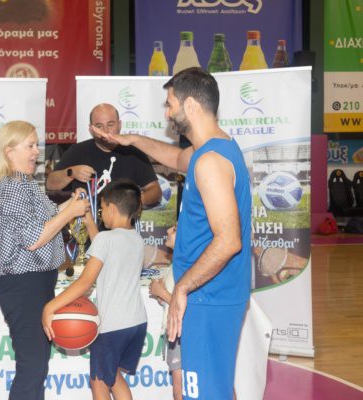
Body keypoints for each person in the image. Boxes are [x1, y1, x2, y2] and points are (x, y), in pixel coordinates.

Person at [93, 67, 251, 399]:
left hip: (207, 297)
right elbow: (177, 158)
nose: (167, 113)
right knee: (215, 388)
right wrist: (133, 140)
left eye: (170, 104)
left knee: (203, 393)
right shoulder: (210, 150)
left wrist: (182, 288)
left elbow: (229, 241)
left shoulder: (210, 162)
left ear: (190, 105)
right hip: (212, 295)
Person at [0, 120, 89, 400]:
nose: (36, 152)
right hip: (24, 286)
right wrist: (70, 213)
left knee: (37, 367)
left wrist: (70, 204)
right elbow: (33, 238)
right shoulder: (11, 187)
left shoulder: (24, 184)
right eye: (30, 146)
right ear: (9, 151)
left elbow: (48, 216)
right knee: (32, 369)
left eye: (36, 145)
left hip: (36, 284)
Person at [42, 179, 147, 400]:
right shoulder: (136, 238)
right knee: (113, 376)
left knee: (99, 381)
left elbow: (85, 282)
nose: (101, 214)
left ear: (112, 208)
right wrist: (89, 220)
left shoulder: (106, 239)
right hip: (136, 322)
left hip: (112, 326)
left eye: (102, 209)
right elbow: (105, 245)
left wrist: (50, 306)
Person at [45, 103, 162, 208]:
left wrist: (132, 203)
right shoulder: (77, 151)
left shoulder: (134, 152)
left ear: (119, 125)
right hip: (85, 223)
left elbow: (155, 191)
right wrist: (71, 173)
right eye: (99, 126)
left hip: (122, 225)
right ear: (91, 129)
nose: (105, 131)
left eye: (110, 124)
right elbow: (50, 184)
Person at [148, 225, 182, 400]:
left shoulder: (185, 267)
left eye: (174, 230)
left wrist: (161, 292)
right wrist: (161, 294)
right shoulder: (176, 265)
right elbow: (173, 299)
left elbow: (186, 305)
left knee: (179, 389)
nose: (168, 230)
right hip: (176, 331)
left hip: (181, 333)